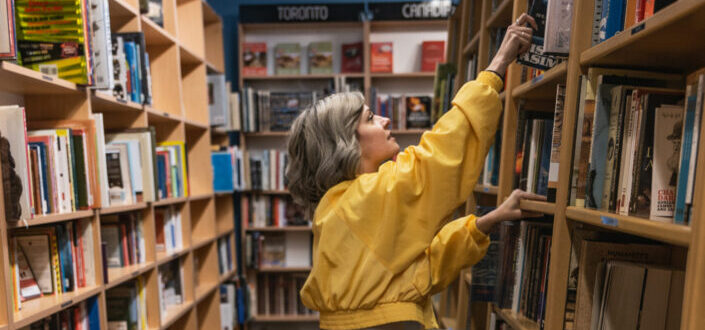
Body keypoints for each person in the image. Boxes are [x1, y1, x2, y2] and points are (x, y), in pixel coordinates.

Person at [286, 14, 545, 329]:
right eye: (369, 119)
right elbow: (439, 157)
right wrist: (496, 67)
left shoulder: (345, 207)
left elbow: (420, 271)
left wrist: (485, 223)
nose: (384, 120)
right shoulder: (362, 200)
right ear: (346, 144)